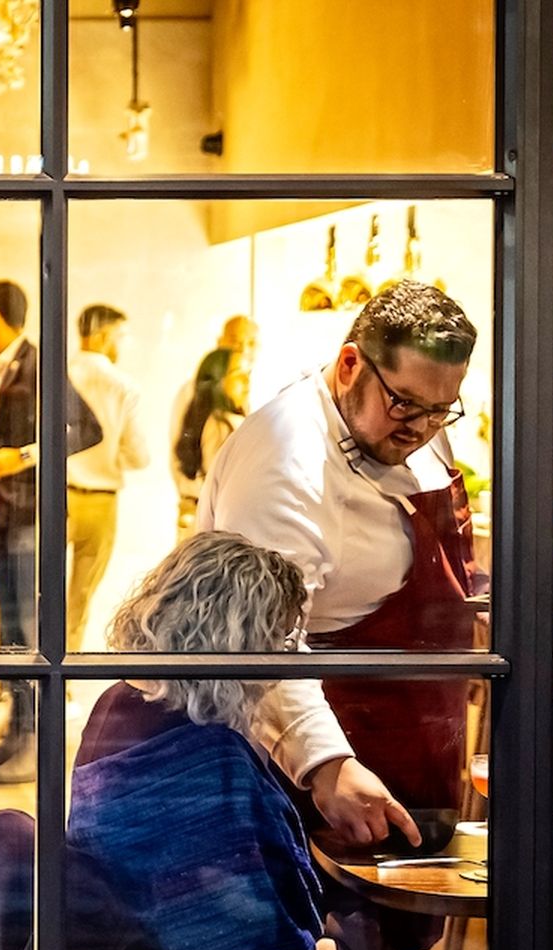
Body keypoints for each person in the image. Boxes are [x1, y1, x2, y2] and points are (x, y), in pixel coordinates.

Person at [0, 532, 479, 950]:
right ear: (242, 645)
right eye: (283, 637)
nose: (295, 655)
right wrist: (355, 941)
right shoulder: (204, 756)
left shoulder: (119, 707)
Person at [199, 280, 482, 859]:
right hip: (326, 737)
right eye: (404, 404)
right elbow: (263, 643)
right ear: (350, 363)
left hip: (413, 723)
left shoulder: (411, 425)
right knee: (326, 919)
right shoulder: (286, 464)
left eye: (439, 410)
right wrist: (326, 767)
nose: (422, 429)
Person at [0, 281, 104, 781]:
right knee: (8, 632)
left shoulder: (39, 363)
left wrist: (21, 456)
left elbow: (87, 429)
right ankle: (15, 734)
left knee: (29, 631)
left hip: (28, 518)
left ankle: (36, 747)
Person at [65, 304, 149, 651]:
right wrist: (109, 451)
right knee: (81, 594)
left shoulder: (56, 374)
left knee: (42, 590)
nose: (121, 344)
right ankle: (64, 675)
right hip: (100, 499)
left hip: (56, 494)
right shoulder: (122, 385)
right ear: (102, 334)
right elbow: (138, 455)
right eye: (120, 335)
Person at [172, 344, 253, 534]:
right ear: (218, 381)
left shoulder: (203, 418)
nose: (247, 382)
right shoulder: (224, 424)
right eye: (238, 375)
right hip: (216, 528)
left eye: (248, 375)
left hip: (195, 520)